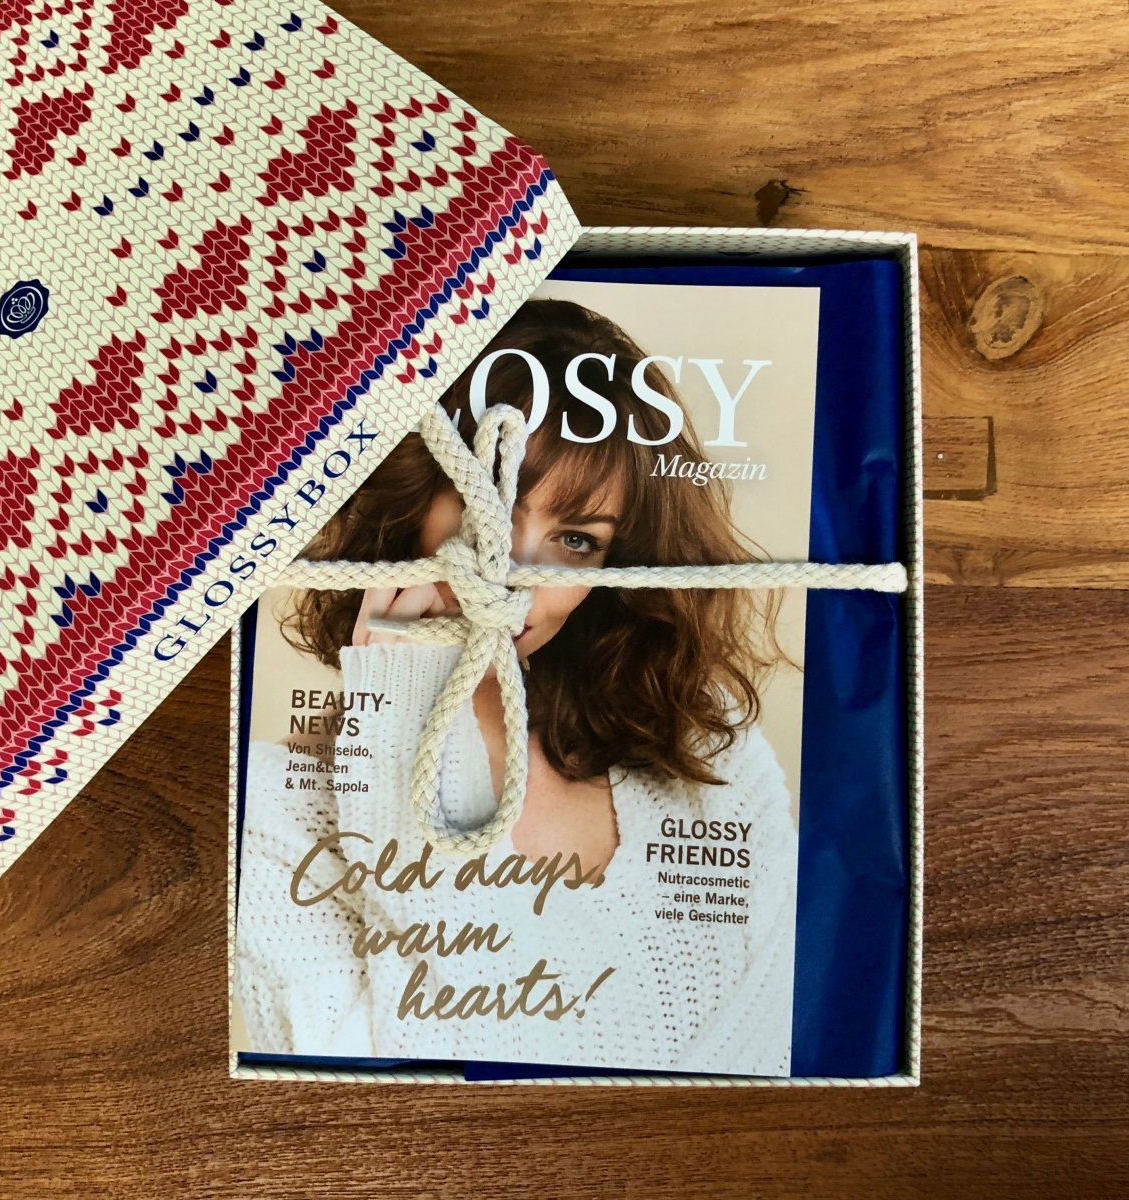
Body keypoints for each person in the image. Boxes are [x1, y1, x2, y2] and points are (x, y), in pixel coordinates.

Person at [233, 299, 799, 1075]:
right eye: (483, 502)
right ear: (410, 496)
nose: (513, 572)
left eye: (577, 540)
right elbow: (386, 1100)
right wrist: (395, 728)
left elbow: (760, 1055)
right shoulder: (275, 809)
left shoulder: (709, 757)